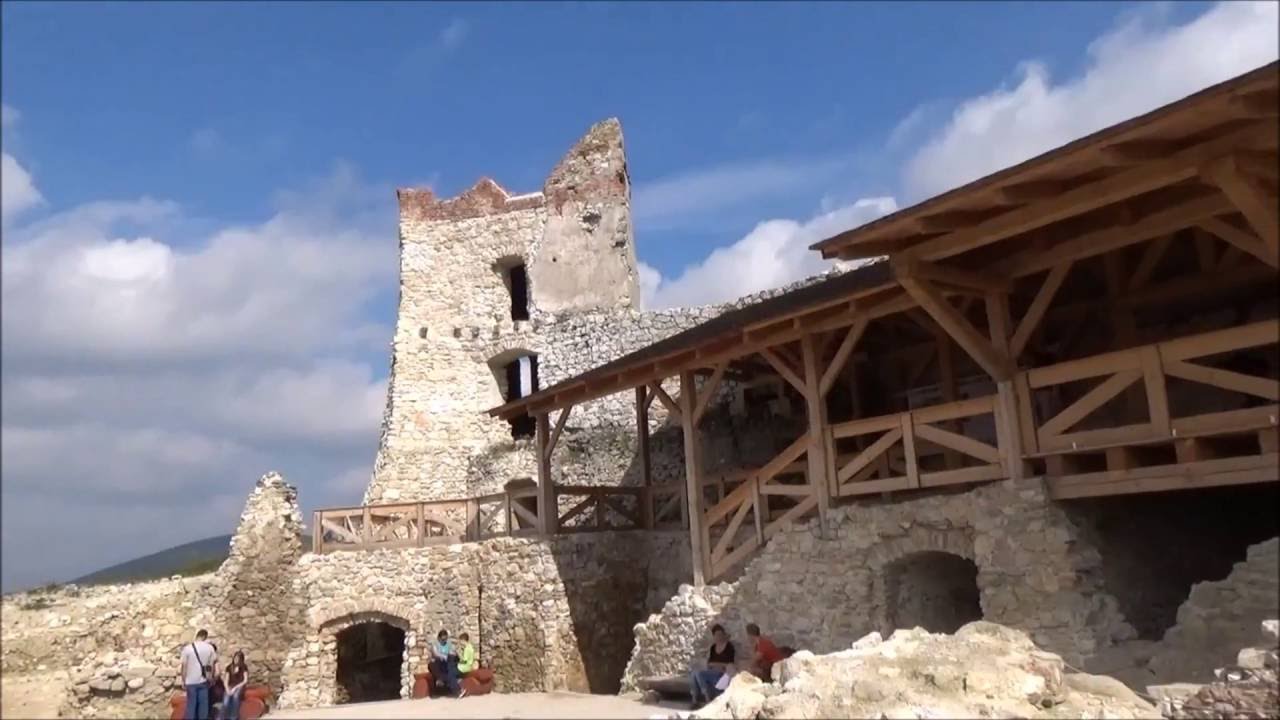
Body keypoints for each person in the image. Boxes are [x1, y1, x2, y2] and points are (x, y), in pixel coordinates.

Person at [689, 624, 735, 708]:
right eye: (717, 635)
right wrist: (715, 665)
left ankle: (707, 699)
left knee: (699, 674)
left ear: (723, 635)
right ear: (714, 636)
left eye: (720, 634)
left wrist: (716, 664)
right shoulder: (713, 647)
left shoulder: (729, 647)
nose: (719, 637)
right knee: (694, 673)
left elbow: (730, 664)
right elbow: (709, 663)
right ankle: (694, 700)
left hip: (722, 674)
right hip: (712, 672)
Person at [178, 629, 218, 720]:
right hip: (204, 680)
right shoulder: (209, 648)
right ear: (205, 637)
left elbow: (184, 666)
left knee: (191, 705)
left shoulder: (188, 648)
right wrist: (210, 678)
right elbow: (211, 666)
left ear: (197, 636)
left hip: (190, 681)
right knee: (203, 706)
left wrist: (183, 680)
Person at [429, 629, 462, 698]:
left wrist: (453, 654)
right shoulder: (435, 644)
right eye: (442, 639)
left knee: (451, 667)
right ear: (439, 638)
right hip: (438, 662)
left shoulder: (448, 644)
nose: (444, 641)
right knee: (436, 665)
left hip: (447, 663)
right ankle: (456, 687)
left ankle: (456, 688)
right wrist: (443, 656)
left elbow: (451, 652)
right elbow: (436, 654)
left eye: (445, 639)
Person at [222, 650, 249, 720]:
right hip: (231, 685)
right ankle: (224, 717)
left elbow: (245, 680)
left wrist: (235, 688)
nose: (235, 660)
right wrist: (227, 689)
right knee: (226, 700)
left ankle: (233, 717)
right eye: (235, 658)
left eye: (237, 659)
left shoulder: (244, 667)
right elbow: (226, 680)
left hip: (239, 685)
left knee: (235, 697)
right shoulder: (229, 667)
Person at [455, 632, 477, 698]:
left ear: (464, 640)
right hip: (468, 666)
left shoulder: (467, 649)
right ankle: (459, 680)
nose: (460, 643)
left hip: (464, 667)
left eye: (461, 641)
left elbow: (464, 660)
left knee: (451, 672)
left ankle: (460, 688)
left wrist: (458, 653)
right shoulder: (470, 647)